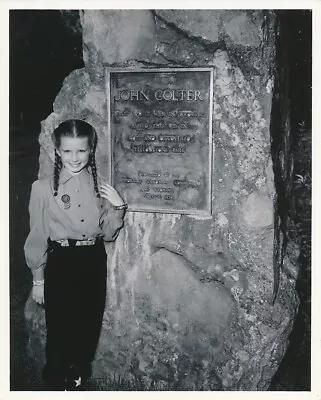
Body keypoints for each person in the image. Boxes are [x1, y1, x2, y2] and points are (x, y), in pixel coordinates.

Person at [24, 119, 127, 390]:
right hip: (61, 262)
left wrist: (117, 207)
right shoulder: (43, 189)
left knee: (88, 330)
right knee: (60, 332)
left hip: (93, 261)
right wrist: (38, 279)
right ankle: (55, 383)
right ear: (57, 151)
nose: (75, 158)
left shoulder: (100, 186)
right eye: (68, 151)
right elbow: (36, 237)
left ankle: (77, 383)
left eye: (81, 151)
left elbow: (108, 234)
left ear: (90, 150)